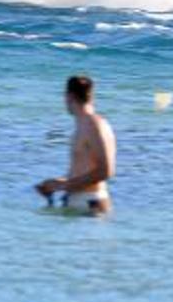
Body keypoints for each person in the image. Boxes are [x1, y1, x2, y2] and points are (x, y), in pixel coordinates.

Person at [36, 75, 116, 214]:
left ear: (69, 96)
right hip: (81, 203)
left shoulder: (94, 125)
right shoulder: (83, 125)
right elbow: (83, 171)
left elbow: (106, 171)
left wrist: (64, 186)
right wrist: (55, 184)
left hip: (91, 203)